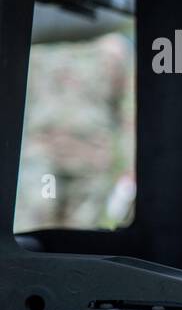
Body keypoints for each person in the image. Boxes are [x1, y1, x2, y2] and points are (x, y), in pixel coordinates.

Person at [16, 30, 135, 232]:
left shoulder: (114, 48)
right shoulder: (35, 44)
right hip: (46, 160)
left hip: (91, 164)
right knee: (39, 221)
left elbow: (127, 110)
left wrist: (131, 164)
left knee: (80, 233)